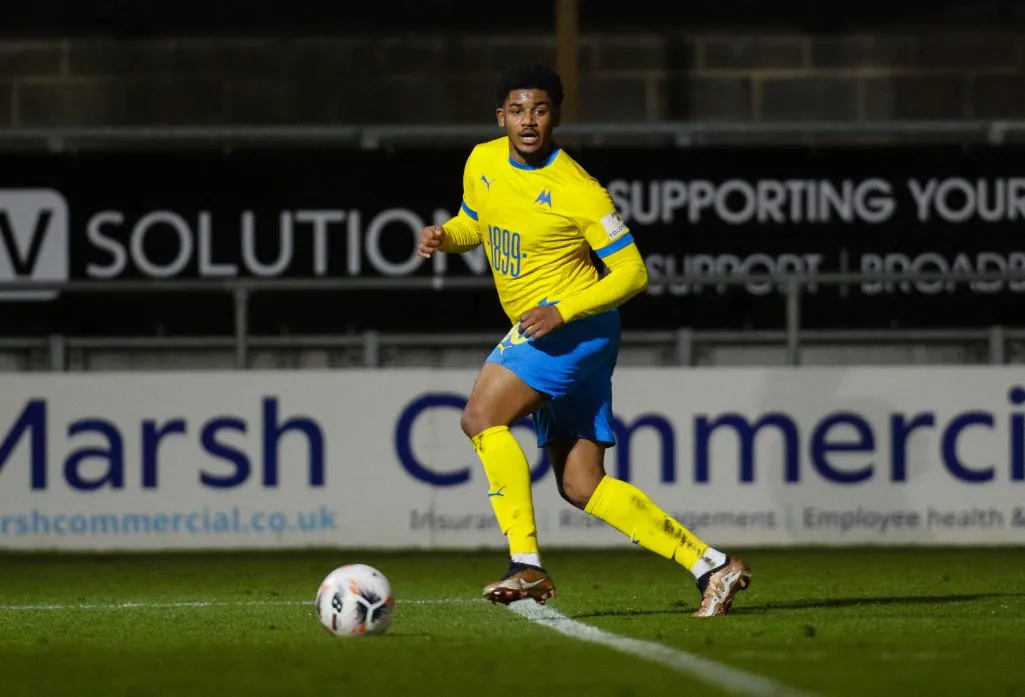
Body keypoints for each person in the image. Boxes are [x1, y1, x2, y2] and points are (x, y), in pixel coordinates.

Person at [417, 63, 751, 617]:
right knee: (581, 484)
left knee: (480, 417)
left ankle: (525, 563)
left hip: (573, 331)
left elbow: (633, 273)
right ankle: (711, 566)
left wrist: (562, 308)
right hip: (555, 331)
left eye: (541, 110)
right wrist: (445, 236)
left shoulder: (578, 189)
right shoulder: (482, 161)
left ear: (556, 116)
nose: (529, 121)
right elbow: (476, 222)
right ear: (501, 116)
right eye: (518, 110)